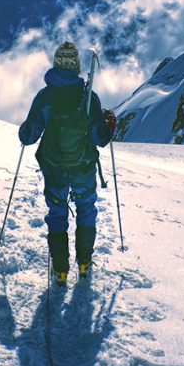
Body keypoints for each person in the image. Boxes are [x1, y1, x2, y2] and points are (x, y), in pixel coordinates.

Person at [18, 42, 116, 286]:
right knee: (86, 211)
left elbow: (28, 137)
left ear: (56, 64)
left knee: (57, 213)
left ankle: (60, 270)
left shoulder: (45, 97)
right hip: (83, 166)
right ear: (76, 67)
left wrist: (24, 128)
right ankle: (84, 263)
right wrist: (109, 123)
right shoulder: (89, 97)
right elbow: (100, 139)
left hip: (54, 167)